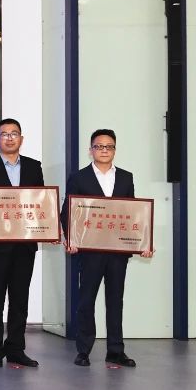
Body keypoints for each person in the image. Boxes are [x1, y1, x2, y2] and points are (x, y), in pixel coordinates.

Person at [65, 129, 152, 368]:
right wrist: (71, 239)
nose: (104, 150)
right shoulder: (79, 177)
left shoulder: (125, 177)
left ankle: (115, 350)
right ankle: (83, 350)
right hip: (89, 251)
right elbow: (68, 211)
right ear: (90, 150)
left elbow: (133, 213)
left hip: (117, 251)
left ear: (114, 150)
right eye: (99, 146)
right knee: (86, 301)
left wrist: (143, 243)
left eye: (109, 146)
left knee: (115, 300)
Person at [0, 118, 46, 368]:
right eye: (4, 134)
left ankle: (16, 348)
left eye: (14, 133)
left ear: (21, 139)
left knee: (20, 299)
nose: (9, 138)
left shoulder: (34, 167)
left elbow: (41, 203)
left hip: (25, 245)